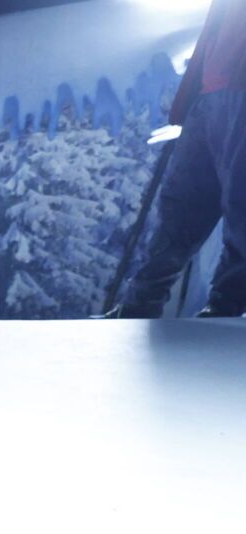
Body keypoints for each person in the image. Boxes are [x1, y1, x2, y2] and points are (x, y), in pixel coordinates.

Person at [112, 0, 246, 318]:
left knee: (241, 206)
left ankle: (226, 309)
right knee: (180, 205)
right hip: (208, 93)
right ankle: (138, 305)